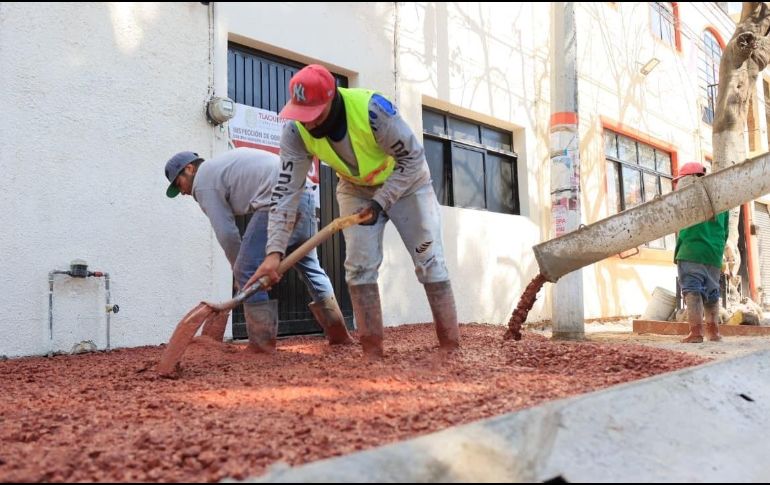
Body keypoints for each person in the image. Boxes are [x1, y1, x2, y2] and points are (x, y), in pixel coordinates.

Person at [248, 64, 459, 358]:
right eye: (302, 115)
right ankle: (372, 352)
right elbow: (285, 194)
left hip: (407, 183)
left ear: (331, 99)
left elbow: (412, 158)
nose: (308, 124)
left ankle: (450, 346)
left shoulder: (374, 111)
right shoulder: (295, 132)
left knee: (429, 260)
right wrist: (274, 253)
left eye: (314, 115)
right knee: (359, 267)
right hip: (355, 188)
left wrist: (381, 201)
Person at [163, 147, 353, 352]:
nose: (182, 192)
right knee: (310, 268)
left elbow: (226, 232)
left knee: (246, 269)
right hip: (304, 196)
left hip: (278, 201)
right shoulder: (219, 168)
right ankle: (339, 334)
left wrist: (239, 270)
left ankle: (262, 346)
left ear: (190, 169)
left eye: (178, 183)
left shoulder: (203, 183)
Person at [673, 162, 728, 343]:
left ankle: (696, 333)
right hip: (713, 254)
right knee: (712, 292)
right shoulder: (722, 199)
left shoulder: (685, 197)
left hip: (691, 250)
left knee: (692, 290)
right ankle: (714, 332)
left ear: (688, 179)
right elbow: (725, 231)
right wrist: (718, 250)